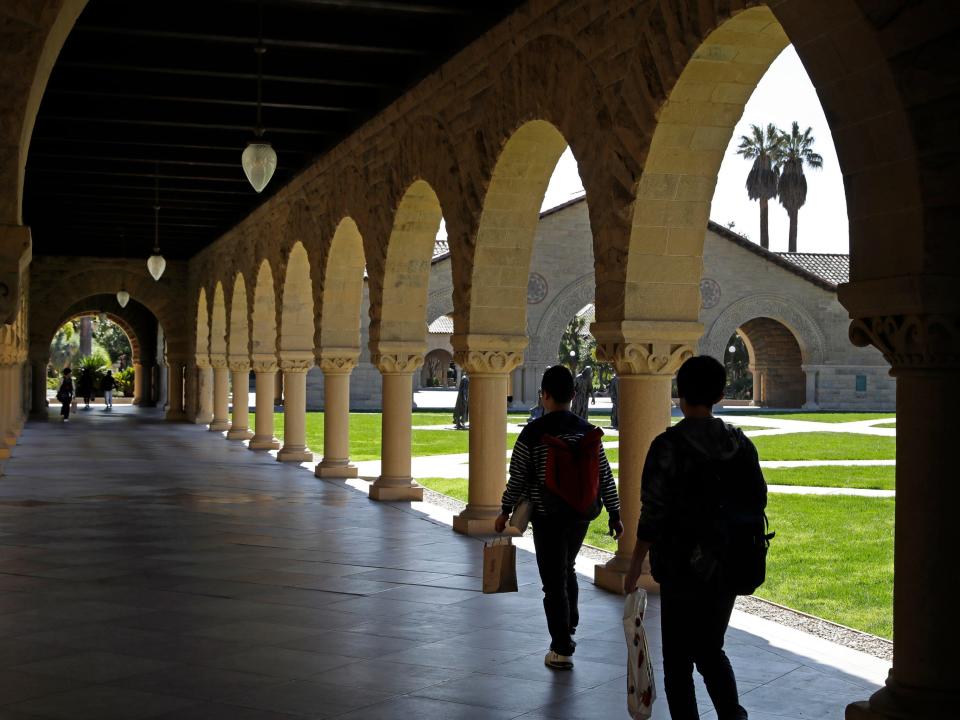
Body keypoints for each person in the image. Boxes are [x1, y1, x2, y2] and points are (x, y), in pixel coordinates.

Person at [625, 355, 766, 720]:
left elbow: (653, 511)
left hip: (681, 564)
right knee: (710, 648)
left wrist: (635, 562)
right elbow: (758, 499)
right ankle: (732, 715)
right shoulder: (740, 444)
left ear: (679, 393)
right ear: (720, 394)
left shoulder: (668, 446)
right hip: (730, 561)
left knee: (677, 661)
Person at [496, 365, 623, 670]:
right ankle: (571, 622)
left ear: (545, 395)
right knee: (567, 566)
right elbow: (605, 475)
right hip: (581, 514)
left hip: (547, 515)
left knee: (552, 582)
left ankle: (561, 648)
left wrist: (504, 510)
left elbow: (518, 478)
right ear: (574, 395)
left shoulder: (533, 433)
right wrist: (615, 513)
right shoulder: (587, 432)